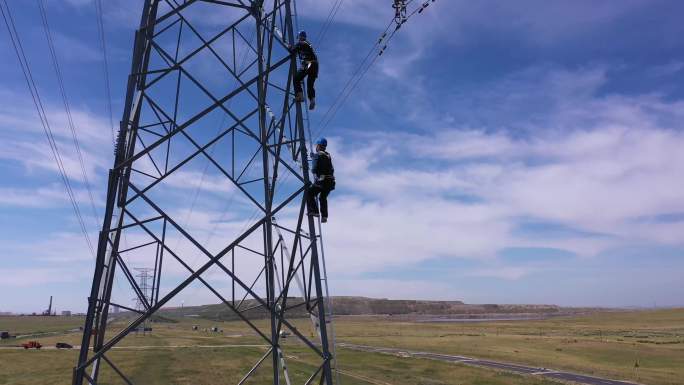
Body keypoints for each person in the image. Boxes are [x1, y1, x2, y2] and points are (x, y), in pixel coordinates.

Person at [307, 138, 335, 223]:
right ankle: (324, 216)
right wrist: (314, 158)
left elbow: (314, 169)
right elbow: (325, 164)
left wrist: (314, 159)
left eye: (317, 145)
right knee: (323, 198)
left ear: (318, 145)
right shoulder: (328, 155)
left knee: (310, 193)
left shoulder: (317, 155)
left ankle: (314, 211)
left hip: (322, 181)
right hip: (330, 182)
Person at [291, 30, 318, 110]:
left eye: (298, 37)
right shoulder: (308, 44)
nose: (298, 39)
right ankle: (312, 100)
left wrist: (290, 47)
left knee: (296, 78)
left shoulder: (301, 43)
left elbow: (292, 50)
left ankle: (300, 96)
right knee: (310, 84)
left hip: (309, 63)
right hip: (315, 65)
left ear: (300, 37)